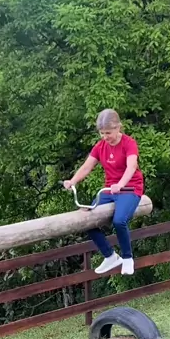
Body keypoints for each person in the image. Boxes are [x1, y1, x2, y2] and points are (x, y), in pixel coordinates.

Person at [63, 109, 144, 275]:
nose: (105, 137)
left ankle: (127, 258)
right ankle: (110, 256)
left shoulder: (129, 143)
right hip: (109, 190)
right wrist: (72, 181)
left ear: (118, 128)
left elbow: (131, 167)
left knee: (119, 221)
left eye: (108, 133)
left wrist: (120, 184)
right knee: (87, 221)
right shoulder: (100, 147)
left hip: (130, 188)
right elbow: (87, 167)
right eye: (102, 133)